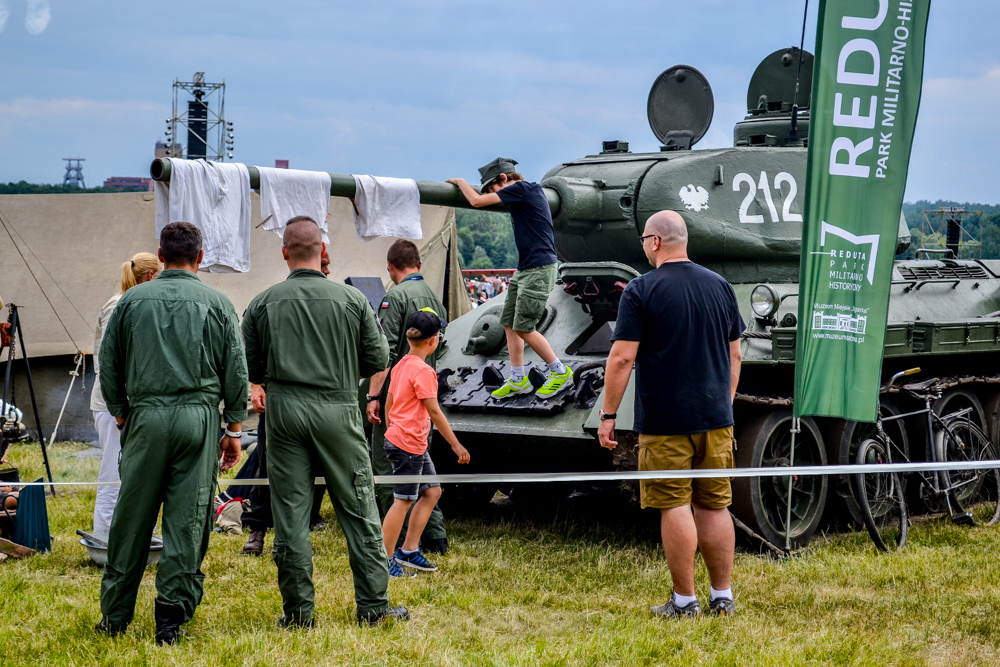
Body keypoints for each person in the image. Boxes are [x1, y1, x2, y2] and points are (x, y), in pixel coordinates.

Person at [242, 216, 407, 628]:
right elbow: (378, 358)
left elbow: (251, 366)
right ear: (323, 250)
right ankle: (373, 606)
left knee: (290, 514)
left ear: (285, 252)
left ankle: (298, 613)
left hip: (284, 413)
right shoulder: (352, 300)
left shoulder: (263, 302)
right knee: (359, 507)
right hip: (338, 407)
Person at [96, 222, 248, 643]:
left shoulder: (131, 301)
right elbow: (236, 371)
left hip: (145, 418)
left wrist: (122, 415)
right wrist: (234, 429)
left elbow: (108, 364)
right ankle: (169, 621)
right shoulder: (218, 303)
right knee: (188, 520)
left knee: (131, 519)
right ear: (201, 257)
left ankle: (114, 617)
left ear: (160, 257)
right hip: (198, 420)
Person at [597, 210, 744, 619]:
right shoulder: (720, 286)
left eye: (644, 239)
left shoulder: (641, 289)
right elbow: (735, 353)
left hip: (666, 421)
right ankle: (723, 596)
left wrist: (608, 414)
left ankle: (684, 602)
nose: (644, 246)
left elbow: (622, 358)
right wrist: (724, 403)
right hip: (716, 418)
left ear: (656, 242)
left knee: (675, 504)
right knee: (715, 505)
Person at [448, 158, 573, 399]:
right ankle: (517, 379)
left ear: (504, 178)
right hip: (526, 268)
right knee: (508, 322)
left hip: (538, 270)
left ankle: (560, 372)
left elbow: (475, 201)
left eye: (492, 189)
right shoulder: (522, 193)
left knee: (524, 327)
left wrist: (460, 182)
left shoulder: (523, 188)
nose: (493, 195)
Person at [241, 247, 332, 556]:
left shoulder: (335, 302)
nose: (326, 271)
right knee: (267, 464)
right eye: (323, 265)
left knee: (318, 467)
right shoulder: (273, 301)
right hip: (279, 399)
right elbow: (252, 346)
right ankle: (257, 528)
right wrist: (256, 385)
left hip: (322, 400)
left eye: (328, 266)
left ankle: (305, 523)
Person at [365, 240, 450, 554]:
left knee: (390, 469)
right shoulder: (434, 298)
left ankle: (394, 541)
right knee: (424, 472)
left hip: (398, 400)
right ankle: (434, 536)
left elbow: (383, 352)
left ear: (390, 267)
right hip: (424, 398)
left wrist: (373, 396)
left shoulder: (395, 297)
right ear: (419, 264)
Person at [381, 310, 470, 577]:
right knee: (403, 501)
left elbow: (389, 403)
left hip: (411, 442)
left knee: (432, 492)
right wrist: (456, 445)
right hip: (408, 444)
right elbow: (435, 412)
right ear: (433, 341)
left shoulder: (401, 364)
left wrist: (392, 430)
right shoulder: (424, 371)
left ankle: (408, 551)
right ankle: (383, 560)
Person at [90, 252, 160, 538]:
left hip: (133, 402)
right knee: (113, 471)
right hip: (113, 403)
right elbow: (111, 361)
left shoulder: (136, 303)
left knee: (140, 472)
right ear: (151, 276)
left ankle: (138, 536)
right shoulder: (118, 304)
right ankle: (105, 536)